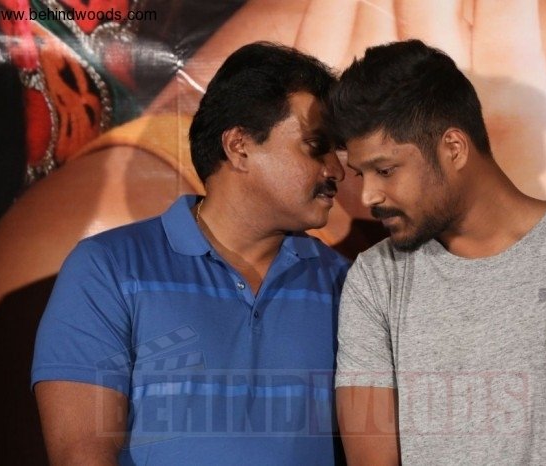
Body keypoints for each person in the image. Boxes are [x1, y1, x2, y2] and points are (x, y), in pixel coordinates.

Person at [327, 40, 546, 465]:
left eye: (385, 170)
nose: (368, 195)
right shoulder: (375, 277)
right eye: (361, 174)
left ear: (453, 148)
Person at [31, 42, 348, 465]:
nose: (337, 170)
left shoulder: (346, 284)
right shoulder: (109, 268)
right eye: (316, 145)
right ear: (239, 146)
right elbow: (83, 454)